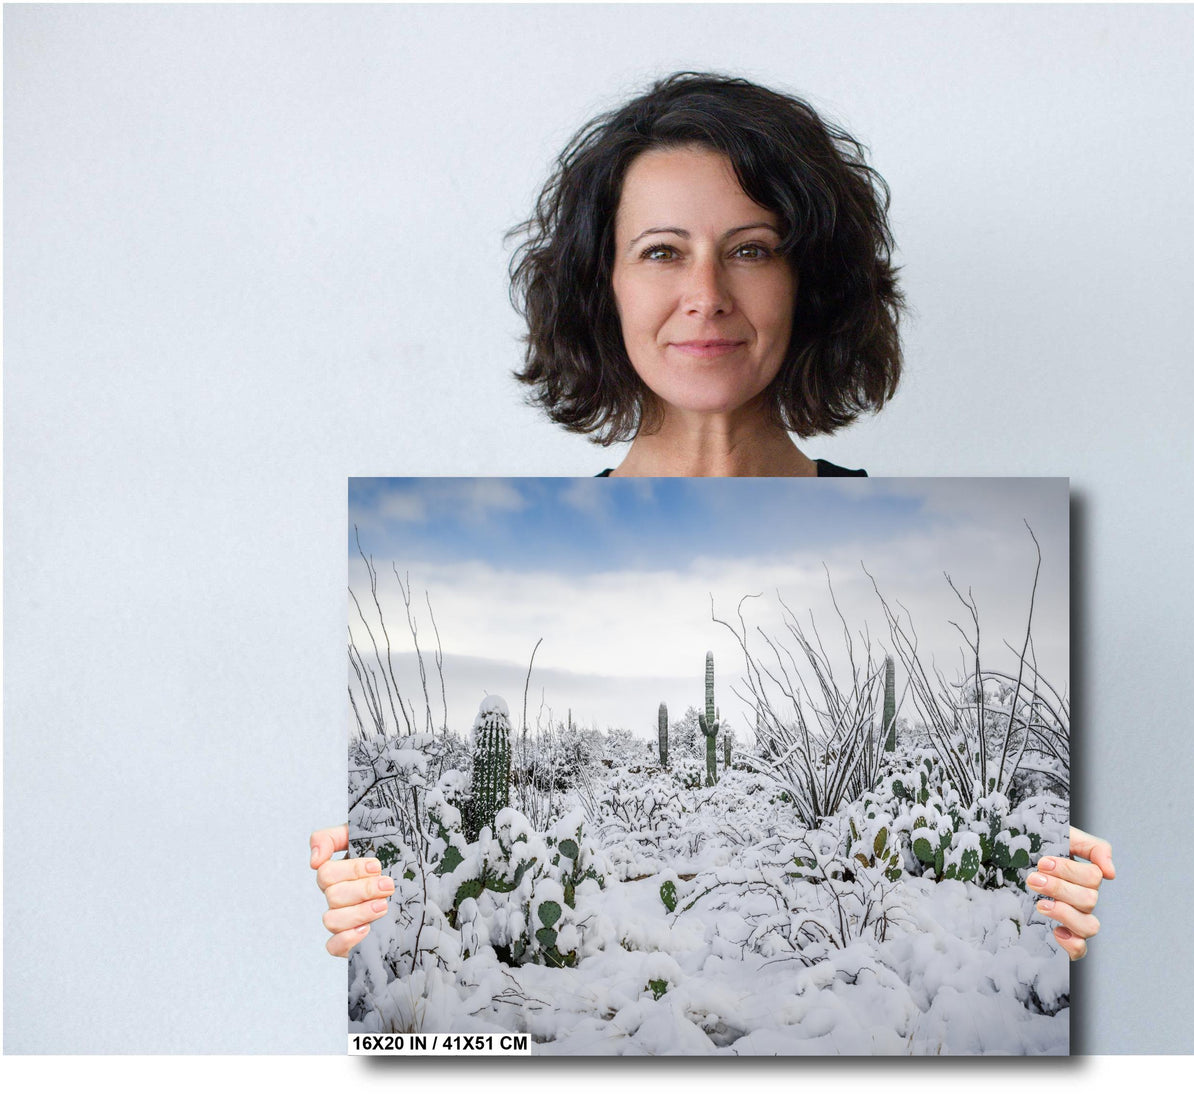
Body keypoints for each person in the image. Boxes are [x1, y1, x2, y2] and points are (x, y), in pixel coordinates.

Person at [313, 72, 1115, 961]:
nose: (706, 293)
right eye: (661, 251)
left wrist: (1059, 910)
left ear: (808, 282)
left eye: (751, 249)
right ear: (602, 284)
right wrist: (362, 916)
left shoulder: (954, 554)